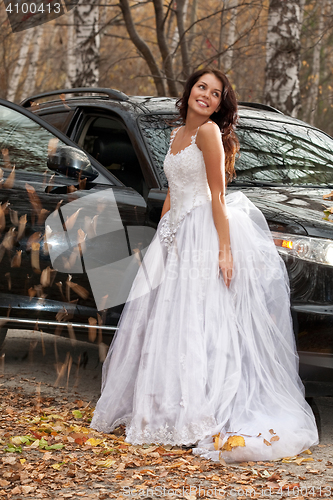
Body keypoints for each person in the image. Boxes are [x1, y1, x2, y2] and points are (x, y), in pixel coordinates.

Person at [90, 68, 319, 463]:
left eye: (215, 94)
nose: (207, 96)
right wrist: (161, 236)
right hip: (176, 233)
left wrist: (225, 250)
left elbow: (217, 194)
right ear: (190, 90)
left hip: (203, 232)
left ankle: (202, 412)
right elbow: (173, 192)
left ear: (219, 104)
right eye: (202, 88)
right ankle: (173, 408)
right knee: (171, 323)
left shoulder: (209, 133)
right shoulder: (178, 134)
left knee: (201, 320)